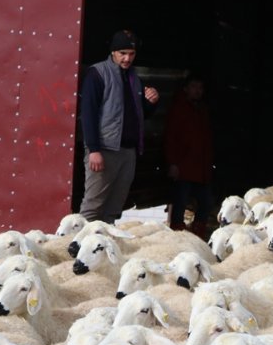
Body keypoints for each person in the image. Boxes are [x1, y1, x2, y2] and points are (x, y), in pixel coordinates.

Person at [78, 30, 160, 223]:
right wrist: (94, 150)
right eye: (122, 53)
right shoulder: (97, 73)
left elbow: (140, 115)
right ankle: (80, 241)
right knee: (92, 207)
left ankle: (106, 240)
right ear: (113, 52)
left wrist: (151, 102)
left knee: (114, 209)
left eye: (131, 54)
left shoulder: (134, 78)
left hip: (128, 151)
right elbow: (88, 114)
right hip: (105, 150)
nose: (127, 58)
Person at [164, 72, 214, 234]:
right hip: (183, 167)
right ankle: (177, 236)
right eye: (193, 87)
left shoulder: (202, 110)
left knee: (206, 202)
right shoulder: (178, 109)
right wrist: (173, 164)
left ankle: (198, 235)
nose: (197, 91)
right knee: (180, 204)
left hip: (201, 167)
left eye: (200, 88)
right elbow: (171, 138)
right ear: (186, 89)